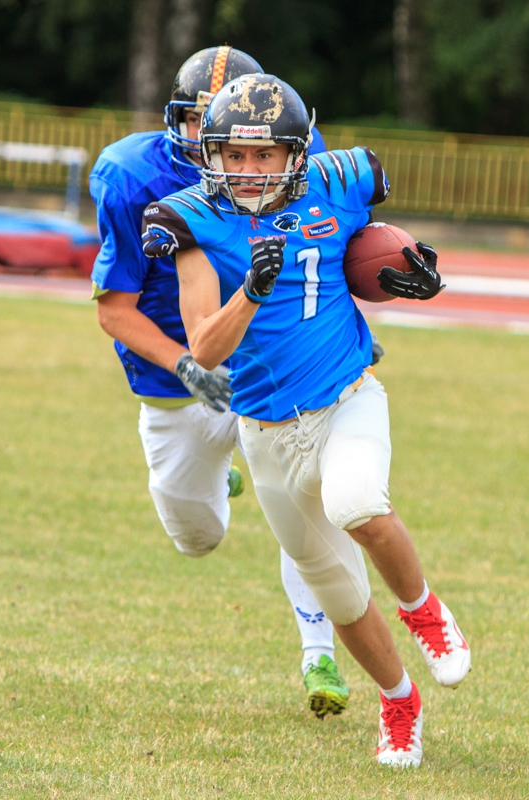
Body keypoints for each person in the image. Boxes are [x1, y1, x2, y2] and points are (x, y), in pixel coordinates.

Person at [141, 73, 471, 767]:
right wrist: (252, 292)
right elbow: (203, 347)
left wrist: (414, 274)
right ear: (213, 155)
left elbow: (373, 244)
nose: (249, 170)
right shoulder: (190, 216)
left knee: (359, 502)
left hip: (348, 395)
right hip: (262, 430)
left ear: (297, 153)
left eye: (265, 155)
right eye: (235, 155)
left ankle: (425, 612)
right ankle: (399, 701)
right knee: (339, 593)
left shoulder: (344, 176)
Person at [89, 47, 352, 718]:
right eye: (204, 128)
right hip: (174, 382)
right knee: (196, 537)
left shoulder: (301, 156)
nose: (240, 160)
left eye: (257, 148)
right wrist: (184, 363)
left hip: (272, 366)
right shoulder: (130, 173)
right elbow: (114, 308)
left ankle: (318, 652)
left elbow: (336, 241)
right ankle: (221, 475)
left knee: (310, 504)